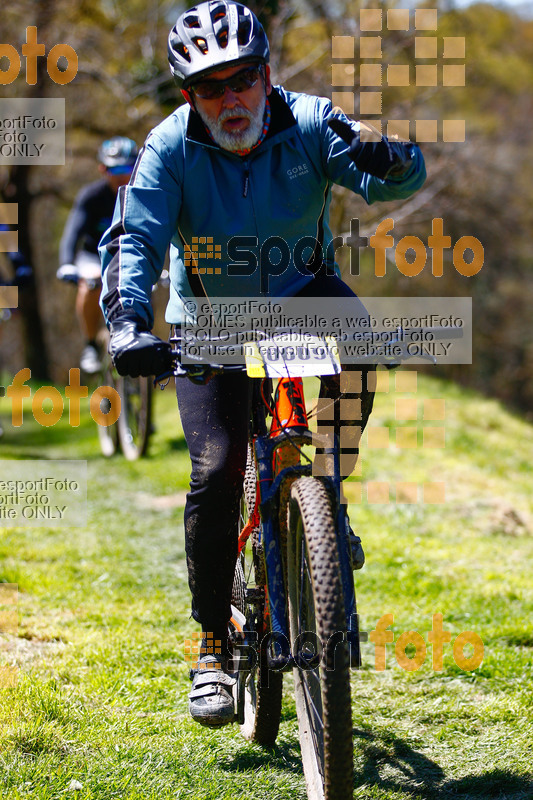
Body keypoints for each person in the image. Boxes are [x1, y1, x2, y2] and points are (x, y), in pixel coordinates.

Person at [99, 1, 426, 727]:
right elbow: (134, 240)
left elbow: (385, 171)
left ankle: (328, 503)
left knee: (358, 344)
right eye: (210, 87)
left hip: (303, 290)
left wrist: (393, 160)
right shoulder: (167, 149)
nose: (230, 99)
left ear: (265, 75)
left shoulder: (309, 120)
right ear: (189, 96)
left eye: (241, 79)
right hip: (208, 315)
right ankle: (212, 647)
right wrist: (126, 322)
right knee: (216, 471)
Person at [57, 137, 138, 373]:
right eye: (115, 169)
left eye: (128, 168)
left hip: (131, 256)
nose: (121, 175)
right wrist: (66, 264)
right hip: (94, 257)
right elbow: (72, 233)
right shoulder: (91, 196)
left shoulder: (145, 193)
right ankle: (91, 344)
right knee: (90, 283)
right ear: (103, 169)